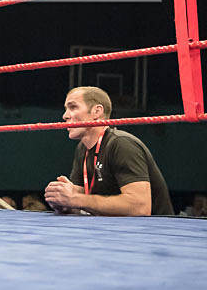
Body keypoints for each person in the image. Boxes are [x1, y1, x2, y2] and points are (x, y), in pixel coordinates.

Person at [44, 86, 173, 216]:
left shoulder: (121, 144)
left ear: (96, 111)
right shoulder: (83, 149)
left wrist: (74, 199)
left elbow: (140, 207)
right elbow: (82, 201)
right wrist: (62, 200)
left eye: (73, 107)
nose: (65, 115)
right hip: (112, 229)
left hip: (152, 231)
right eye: (66, 109)